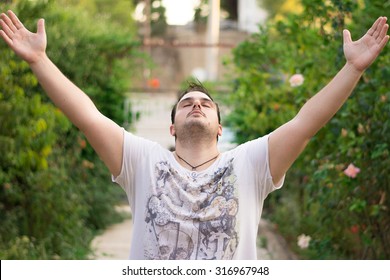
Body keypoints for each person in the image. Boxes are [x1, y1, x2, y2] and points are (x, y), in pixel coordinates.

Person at [0, 10, 388, 260]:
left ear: (220, 127)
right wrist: (39, 60)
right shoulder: (143, 161)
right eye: (187, 102)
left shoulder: (250, 163)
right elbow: (86, 116)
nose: (196, 105)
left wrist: (352, 69)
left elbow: (307, 123)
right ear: (172, 127)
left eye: (205, 102)